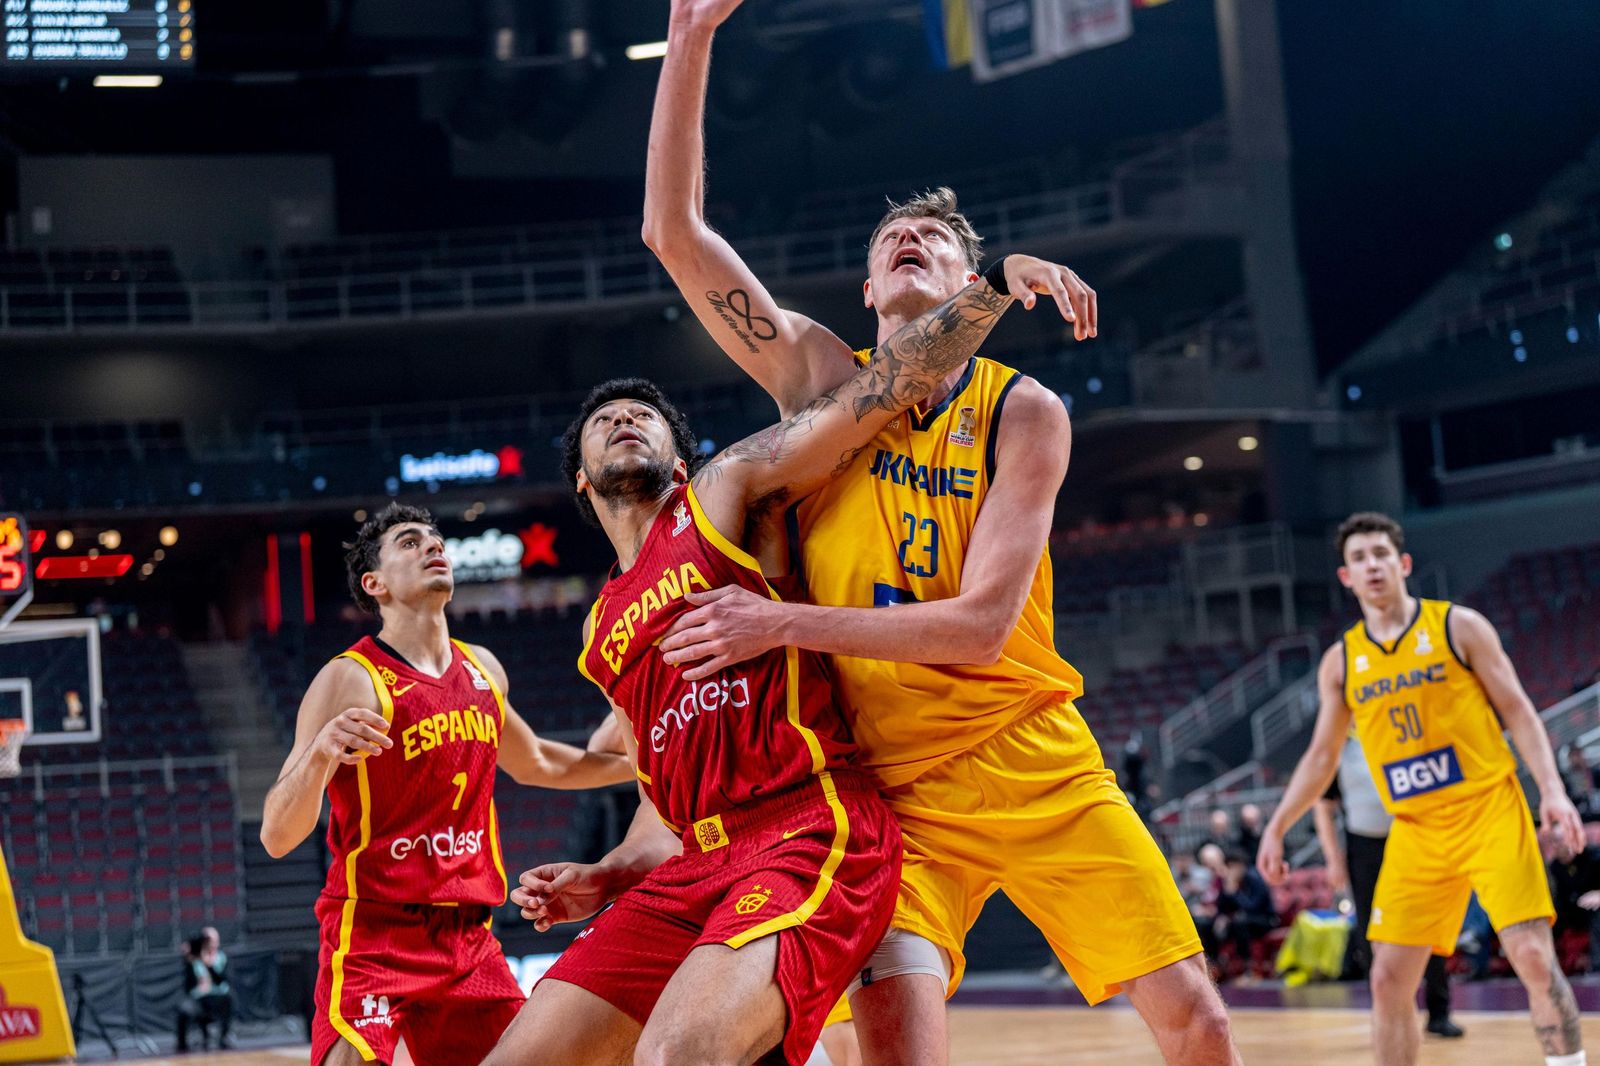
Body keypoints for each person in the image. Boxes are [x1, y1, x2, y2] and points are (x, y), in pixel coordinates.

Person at [639, 2, 1238, 1062]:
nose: (907, 240)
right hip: (889, 790)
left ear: (973, 285)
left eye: (938, 241)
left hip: (1031, 757)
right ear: (868, 289)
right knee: (896, 1047)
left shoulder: (1023, 408)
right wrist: (690, 38)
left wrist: (779, 624)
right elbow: (675, 239)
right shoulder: (820, 384)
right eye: (888, 242)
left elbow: (978, 630)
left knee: (1198, 1022)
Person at [486, 266, 1018, 1065]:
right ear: (580, 481)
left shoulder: (722, 493)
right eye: (606, 418)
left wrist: (996, 284)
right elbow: (659, 790)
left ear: (676, 464)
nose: (625, 417)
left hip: (807, 825)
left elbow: (881, 388)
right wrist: (613, 870)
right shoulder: (601, 630)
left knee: (674, 1057)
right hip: (696, 861)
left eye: (644, 415)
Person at [259, 503, 633, 1066]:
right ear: (374, 583)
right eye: (410, 542)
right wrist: (317, 755)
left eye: (435, 539)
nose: (433, 546)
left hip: (468, 938)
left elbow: (539, 764)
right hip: (376, 932)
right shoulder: (349, 679)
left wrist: (645, 760)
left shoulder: (482, 668)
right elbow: (276, 836)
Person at [1258, 511, 1586, 1066]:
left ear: (1403, 563)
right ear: (1346, 577)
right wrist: (1277, 825)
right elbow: (1321, 757)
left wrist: (1552, 789)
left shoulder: (1460, 627)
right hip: (1416, 829)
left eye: (1381, 554)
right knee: (1387, 977)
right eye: (1359, 558)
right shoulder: (1342, 662)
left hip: (1489, 810)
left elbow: (1518, 711)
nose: (1372, 566)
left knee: (1531, 953)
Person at [1313, 733, 1461, 1037]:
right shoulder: (1339, 746)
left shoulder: (1402, 731)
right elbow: (1322, 806)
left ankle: (1439, 1010)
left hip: (1412, 838)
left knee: (1427, 926)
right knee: (1372, 933)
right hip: (1364, 849)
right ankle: (1388, 1015)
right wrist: (1333, 859)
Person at [1547, 830, 1600, 974]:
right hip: (1569, 909)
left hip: (1593, 908)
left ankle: (1597, 968)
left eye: (1562, 840)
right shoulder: (1554, 867)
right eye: (1555, 842)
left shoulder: (1593, 856)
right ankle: (1547, 969)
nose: (1559, 845)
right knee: (1545, 918)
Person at [176, 927, 232, 1052]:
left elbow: (221, 980)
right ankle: (182, 1045)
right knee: (184, 1009)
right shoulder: (194, 958)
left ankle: (223, 1038)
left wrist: (208, 964)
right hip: (198, 998)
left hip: (218, 996)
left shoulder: (221, 957)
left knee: (229, 999)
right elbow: (189, 983)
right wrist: (188, 956)